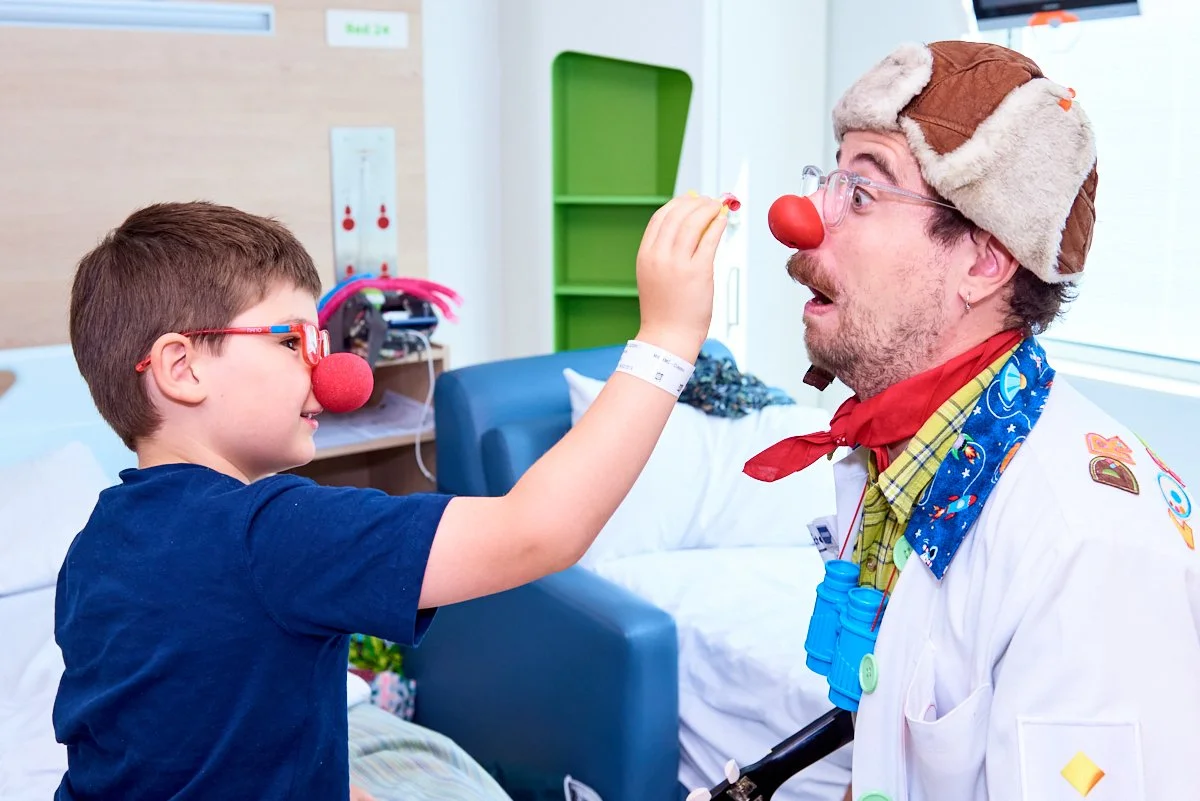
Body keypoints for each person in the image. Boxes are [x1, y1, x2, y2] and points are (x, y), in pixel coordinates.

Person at [54, 195, 728, 800]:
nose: (331, 370)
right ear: (182, 368)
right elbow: (539, 529)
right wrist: (666, 339)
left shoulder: (94, 546)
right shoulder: (274, 528)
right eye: (293, 340)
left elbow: (188, 730)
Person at [722, 40, 1196, 801]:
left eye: (863, 193)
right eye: (828, 179)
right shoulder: (894, 460)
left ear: (983, 260)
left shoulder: (1087, 549)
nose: (804, 220)